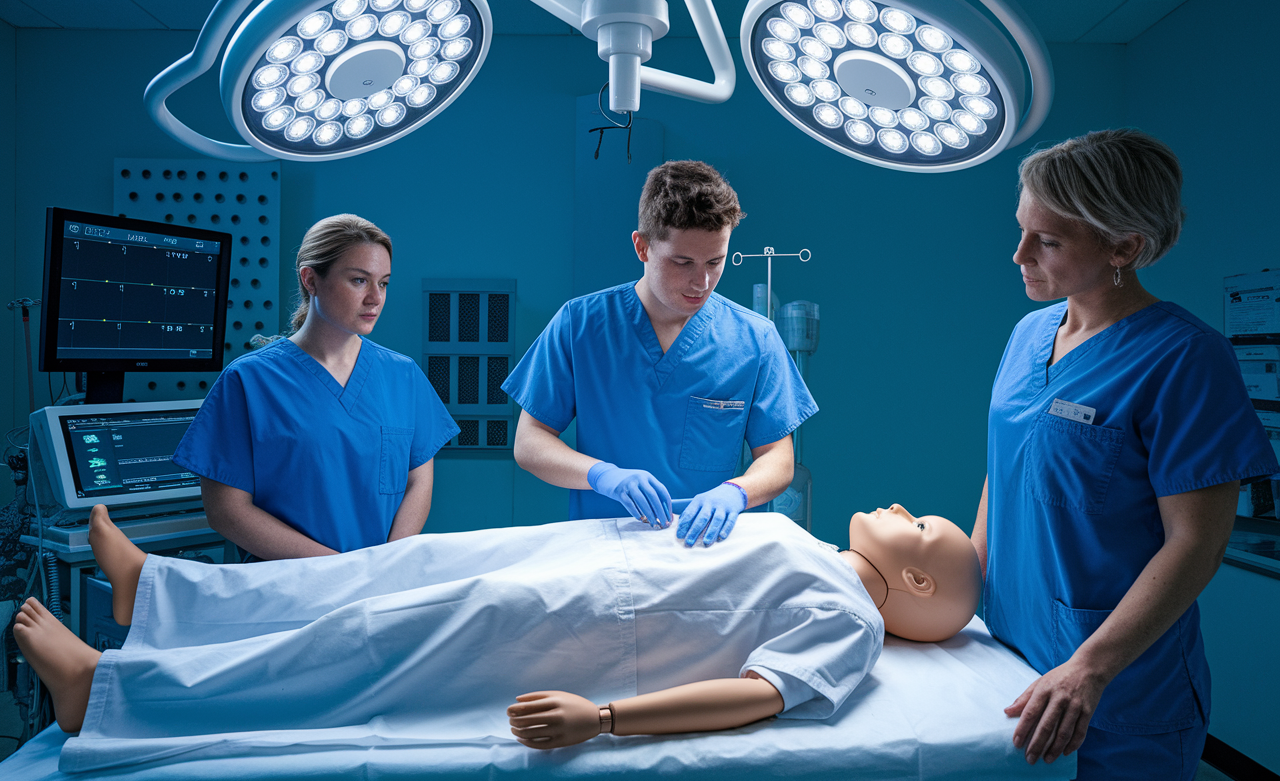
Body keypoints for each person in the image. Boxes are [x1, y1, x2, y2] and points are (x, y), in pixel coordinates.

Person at [13, 502, 978, 768]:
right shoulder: (805, 537)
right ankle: (166, 598)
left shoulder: (849, 621)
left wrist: (605, 718)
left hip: (580, 625)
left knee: (370, 636)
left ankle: (108, 695)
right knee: (383, 571)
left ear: (919, 579)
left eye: (923, 523)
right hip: (574, 559)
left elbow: (760, 697)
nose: (906, 506)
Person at [972, 129, 1280, 780]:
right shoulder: (1030, 332)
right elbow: (1008, 468)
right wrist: (962, 591)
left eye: (1047, 241)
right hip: (1007, 651)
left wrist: (1092, 667)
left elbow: (1196, 542)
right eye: (1023, 230)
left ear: (1124, 246)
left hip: (1115, 683)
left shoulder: (1186, 358)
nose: (1018, 254)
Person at [502, 161, 817, 547]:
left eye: (715, 262)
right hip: (604, 548)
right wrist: (603, 475)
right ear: (642, 247)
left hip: (704, 549)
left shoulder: (755, 339)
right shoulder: (580, 325)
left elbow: (779, 459)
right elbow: (530, 442)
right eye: (682, 263)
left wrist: (737, 491)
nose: (701, 282)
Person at [172, 214, 458, 564]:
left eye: (383, 283)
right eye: (358, 280)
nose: (374, 298)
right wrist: (337, 571)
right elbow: (227, 512)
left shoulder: (403, 376)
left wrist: (383, 568)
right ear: (311, 279)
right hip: (290, 586)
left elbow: (418, 483)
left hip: (380, 583)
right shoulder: (249, 381)